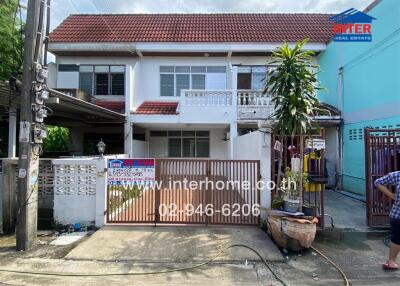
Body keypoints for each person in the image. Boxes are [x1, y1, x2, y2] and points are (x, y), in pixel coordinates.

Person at [375, 171, 400, 270]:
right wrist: (391, 195)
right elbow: (378, 182)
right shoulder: (397, 175)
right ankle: (391, 261)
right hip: (398, 215)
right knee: (397, 239)